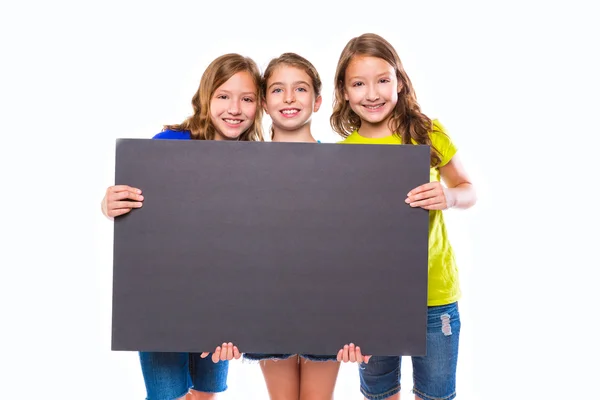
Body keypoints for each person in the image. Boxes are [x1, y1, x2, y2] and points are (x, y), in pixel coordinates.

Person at [101, 53, 264, 400]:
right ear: (206, 97)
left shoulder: (260, 161)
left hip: (221, 303)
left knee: (205, 393)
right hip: (164, 300)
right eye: (223, 96)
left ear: (258, 104)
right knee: (166, 396)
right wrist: (110, 203)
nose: (234, 108)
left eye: (246, 99)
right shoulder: (169, 146)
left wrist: (245, 322)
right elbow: (137, 214)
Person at [332, 33, 477, 400]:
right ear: (345, 92)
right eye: (359, 84)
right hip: (372, 298)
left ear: (400, 80)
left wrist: (449, 196)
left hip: (434, 292)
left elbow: (468, 189)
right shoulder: (340, 155)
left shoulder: (427, 133)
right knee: (380, 392)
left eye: (383, 80)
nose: (372, 93)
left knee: (436, 393)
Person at [221, 52, 341, 400]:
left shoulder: (342, 166)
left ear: (317, 101)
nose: (289, 99)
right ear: (263, 102)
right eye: (277, 90)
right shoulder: (243, 165)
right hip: (267, 306)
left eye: (300, 89)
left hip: (327, 306)